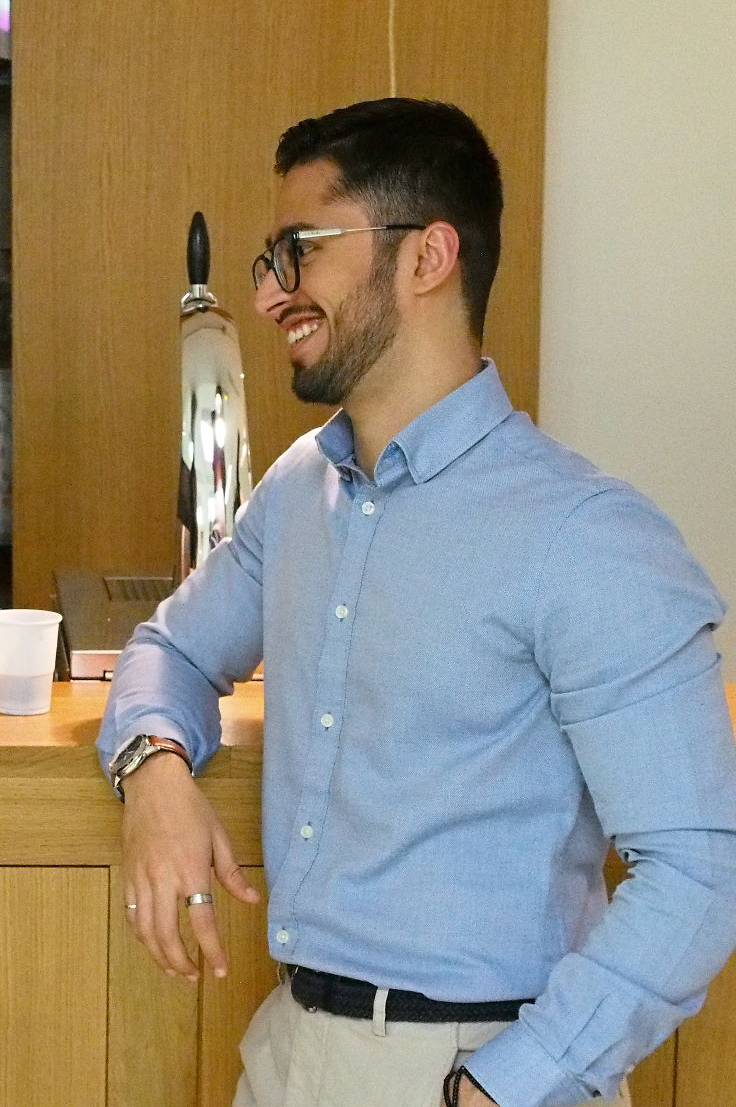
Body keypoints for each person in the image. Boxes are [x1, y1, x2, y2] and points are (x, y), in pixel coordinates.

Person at [98, 98, 736, 1107]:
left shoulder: (588, 535)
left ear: (428, 257)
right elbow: (169, 651)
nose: (268, 295)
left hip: (480, 1066)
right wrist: (154, 772)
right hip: (289, 1050)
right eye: (270, 260)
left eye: (299, 252)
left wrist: (505, 1088)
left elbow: (699, 874)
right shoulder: (299, 490)